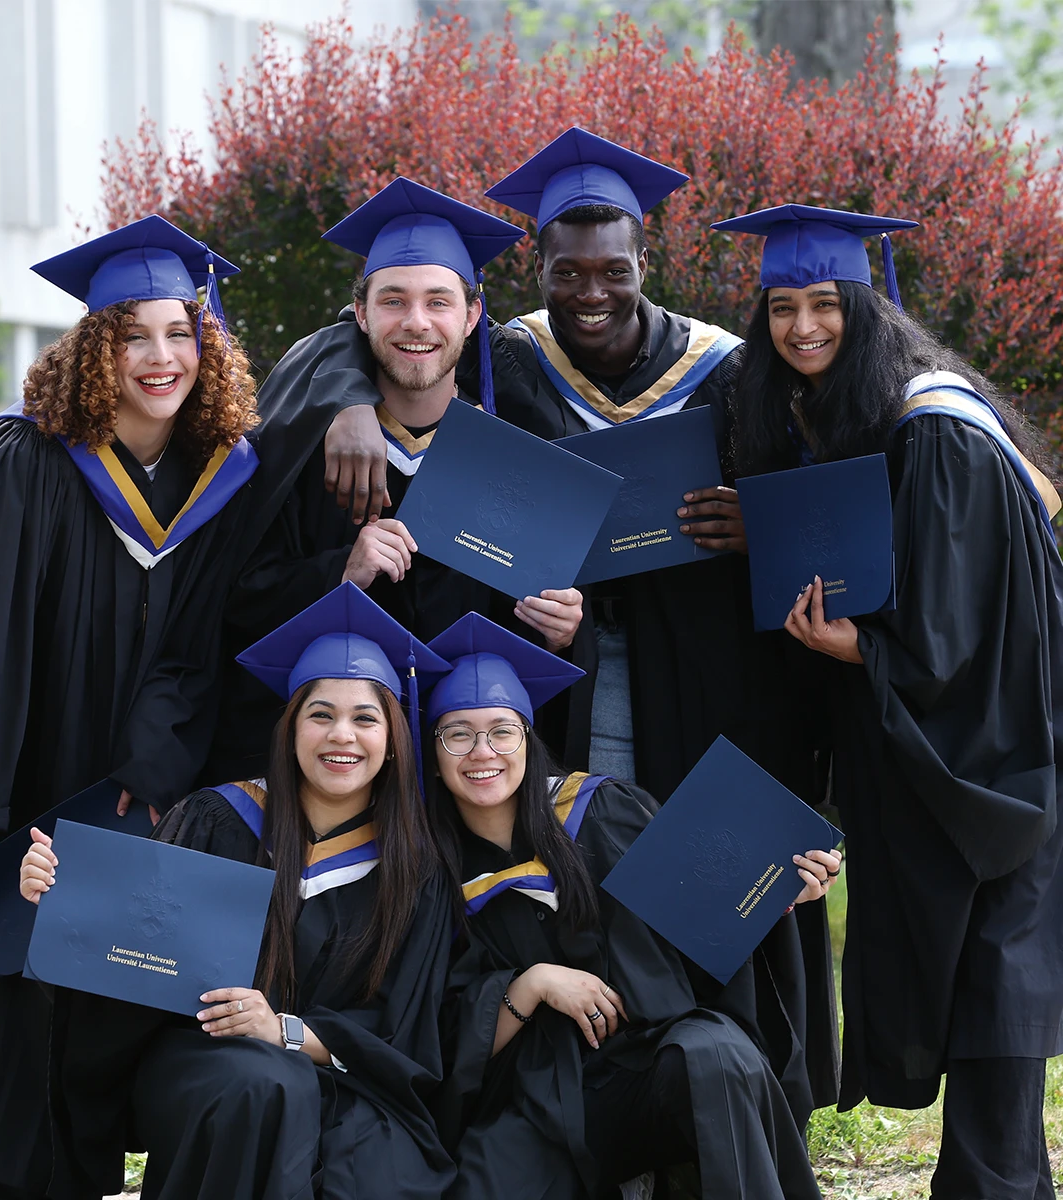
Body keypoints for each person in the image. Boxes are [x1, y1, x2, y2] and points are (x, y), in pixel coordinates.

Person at [267, 131, 840, 1115]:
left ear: (645, 265)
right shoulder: (514, 362)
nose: (590, 291)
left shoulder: (730, 367)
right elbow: (366, 339)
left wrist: (763, 524)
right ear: (535, 272)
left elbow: (831, 481)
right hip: (548, 675)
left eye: (613, 270)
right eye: (567, 270)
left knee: (699, 863)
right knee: (578, 873)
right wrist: (348, 399)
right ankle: (598, 1083)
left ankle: (731, 1087)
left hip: (701, 671)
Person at [0, 215, 267, 1199]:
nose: (161, 358)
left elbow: (194, 655)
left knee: (78, 1066)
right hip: (5, 802)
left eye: (180, 334)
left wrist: (152, 777)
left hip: (110, 814)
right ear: (95, 346)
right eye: (135, 336)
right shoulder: (23, 461)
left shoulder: (215, 478)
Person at [716, 202, 1063, 1199]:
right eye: (783, 307)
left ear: (868, 308)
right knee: (977, 976)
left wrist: (860, 645)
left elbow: (958, 620)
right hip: (951, 746)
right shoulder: (848, 418)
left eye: (826, 303)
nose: (803, 326)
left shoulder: (937, 429)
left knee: (997, 973)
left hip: (995, 748)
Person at [19, 582, 457, 1200]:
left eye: (366, 718)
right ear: (291, 728)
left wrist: (286, 1031)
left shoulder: (415, 869)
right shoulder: (219, 818)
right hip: (205, 1063)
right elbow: (130, 954)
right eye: (321, 714)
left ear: (392, 743)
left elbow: (407, 1030)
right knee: (265, 1085)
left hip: (343, 1075)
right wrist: (61, 901)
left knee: (375, 1159)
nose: (342, 736)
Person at [423, 613, 838, 1199]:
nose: (480, 751)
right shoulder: (425, 869)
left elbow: (695, 921)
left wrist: (773, 894)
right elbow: (428, 1036)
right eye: (457, 734)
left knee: (716, 1055)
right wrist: (531, 984)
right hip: (530, 1098)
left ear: (528, 737)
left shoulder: (603, 811)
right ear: (433, 751)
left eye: (501, 730)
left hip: (645, 1066)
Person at [207, 178, 584, 784]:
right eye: (392, 301)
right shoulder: (300, 450)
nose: (416, 322)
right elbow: (237, 601)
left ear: (472, 316)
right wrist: (342, 572)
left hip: (463, 774)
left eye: (438, 301)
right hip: (329, 772)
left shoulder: (515, 457)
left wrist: (562, 632)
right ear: (359, 313)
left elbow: (525, 633)